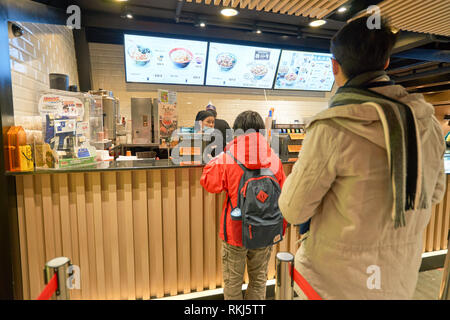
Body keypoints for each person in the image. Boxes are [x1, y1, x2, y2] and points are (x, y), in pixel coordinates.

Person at [278, 16, 446, 300]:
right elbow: (436, 192)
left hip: (332, 282)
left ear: (335, 67)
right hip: (397, 278)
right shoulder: (426, 123)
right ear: (385, 63)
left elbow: (293, 210)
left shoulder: (332, 127)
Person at [200, 110, 287, 300]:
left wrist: (217, 156)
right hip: (265, 230)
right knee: (259, 281)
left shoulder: (227, 158)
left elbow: (209, 183)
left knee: (233, 283)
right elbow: (283, 194)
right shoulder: (274, 159)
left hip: (235, 232)